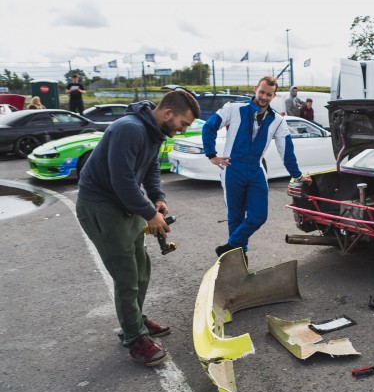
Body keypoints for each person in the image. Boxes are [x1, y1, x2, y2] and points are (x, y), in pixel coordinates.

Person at [76, 90, 200, 367]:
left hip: (126, 205)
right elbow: (122, 181)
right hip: (102, 207)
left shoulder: (154, 133)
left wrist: (158, 198)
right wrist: (149, 214)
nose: (182, 130)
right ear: (168, 113)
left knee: (141, 269)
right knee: (126, 275)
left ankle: (134, 319)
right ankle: (133, 337)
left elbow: (151, 168)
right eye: (183, 124)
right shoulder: (129, 129)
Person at [203, 76, 311, 260]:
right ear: (255, 89)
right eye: (262, 92)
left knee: (259, 216)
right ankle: (239, 257)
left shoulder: (277, 120)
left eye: (269, 94)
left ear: (274, 95)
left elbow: (286, 150)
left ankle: (230, 246)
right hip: (232, 169)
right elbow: (209, 127)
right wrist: (212, 155)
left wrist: (297, 175)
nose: (264, 97)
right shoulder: (233, 108)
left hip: (256, 170)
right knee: (235, 216)